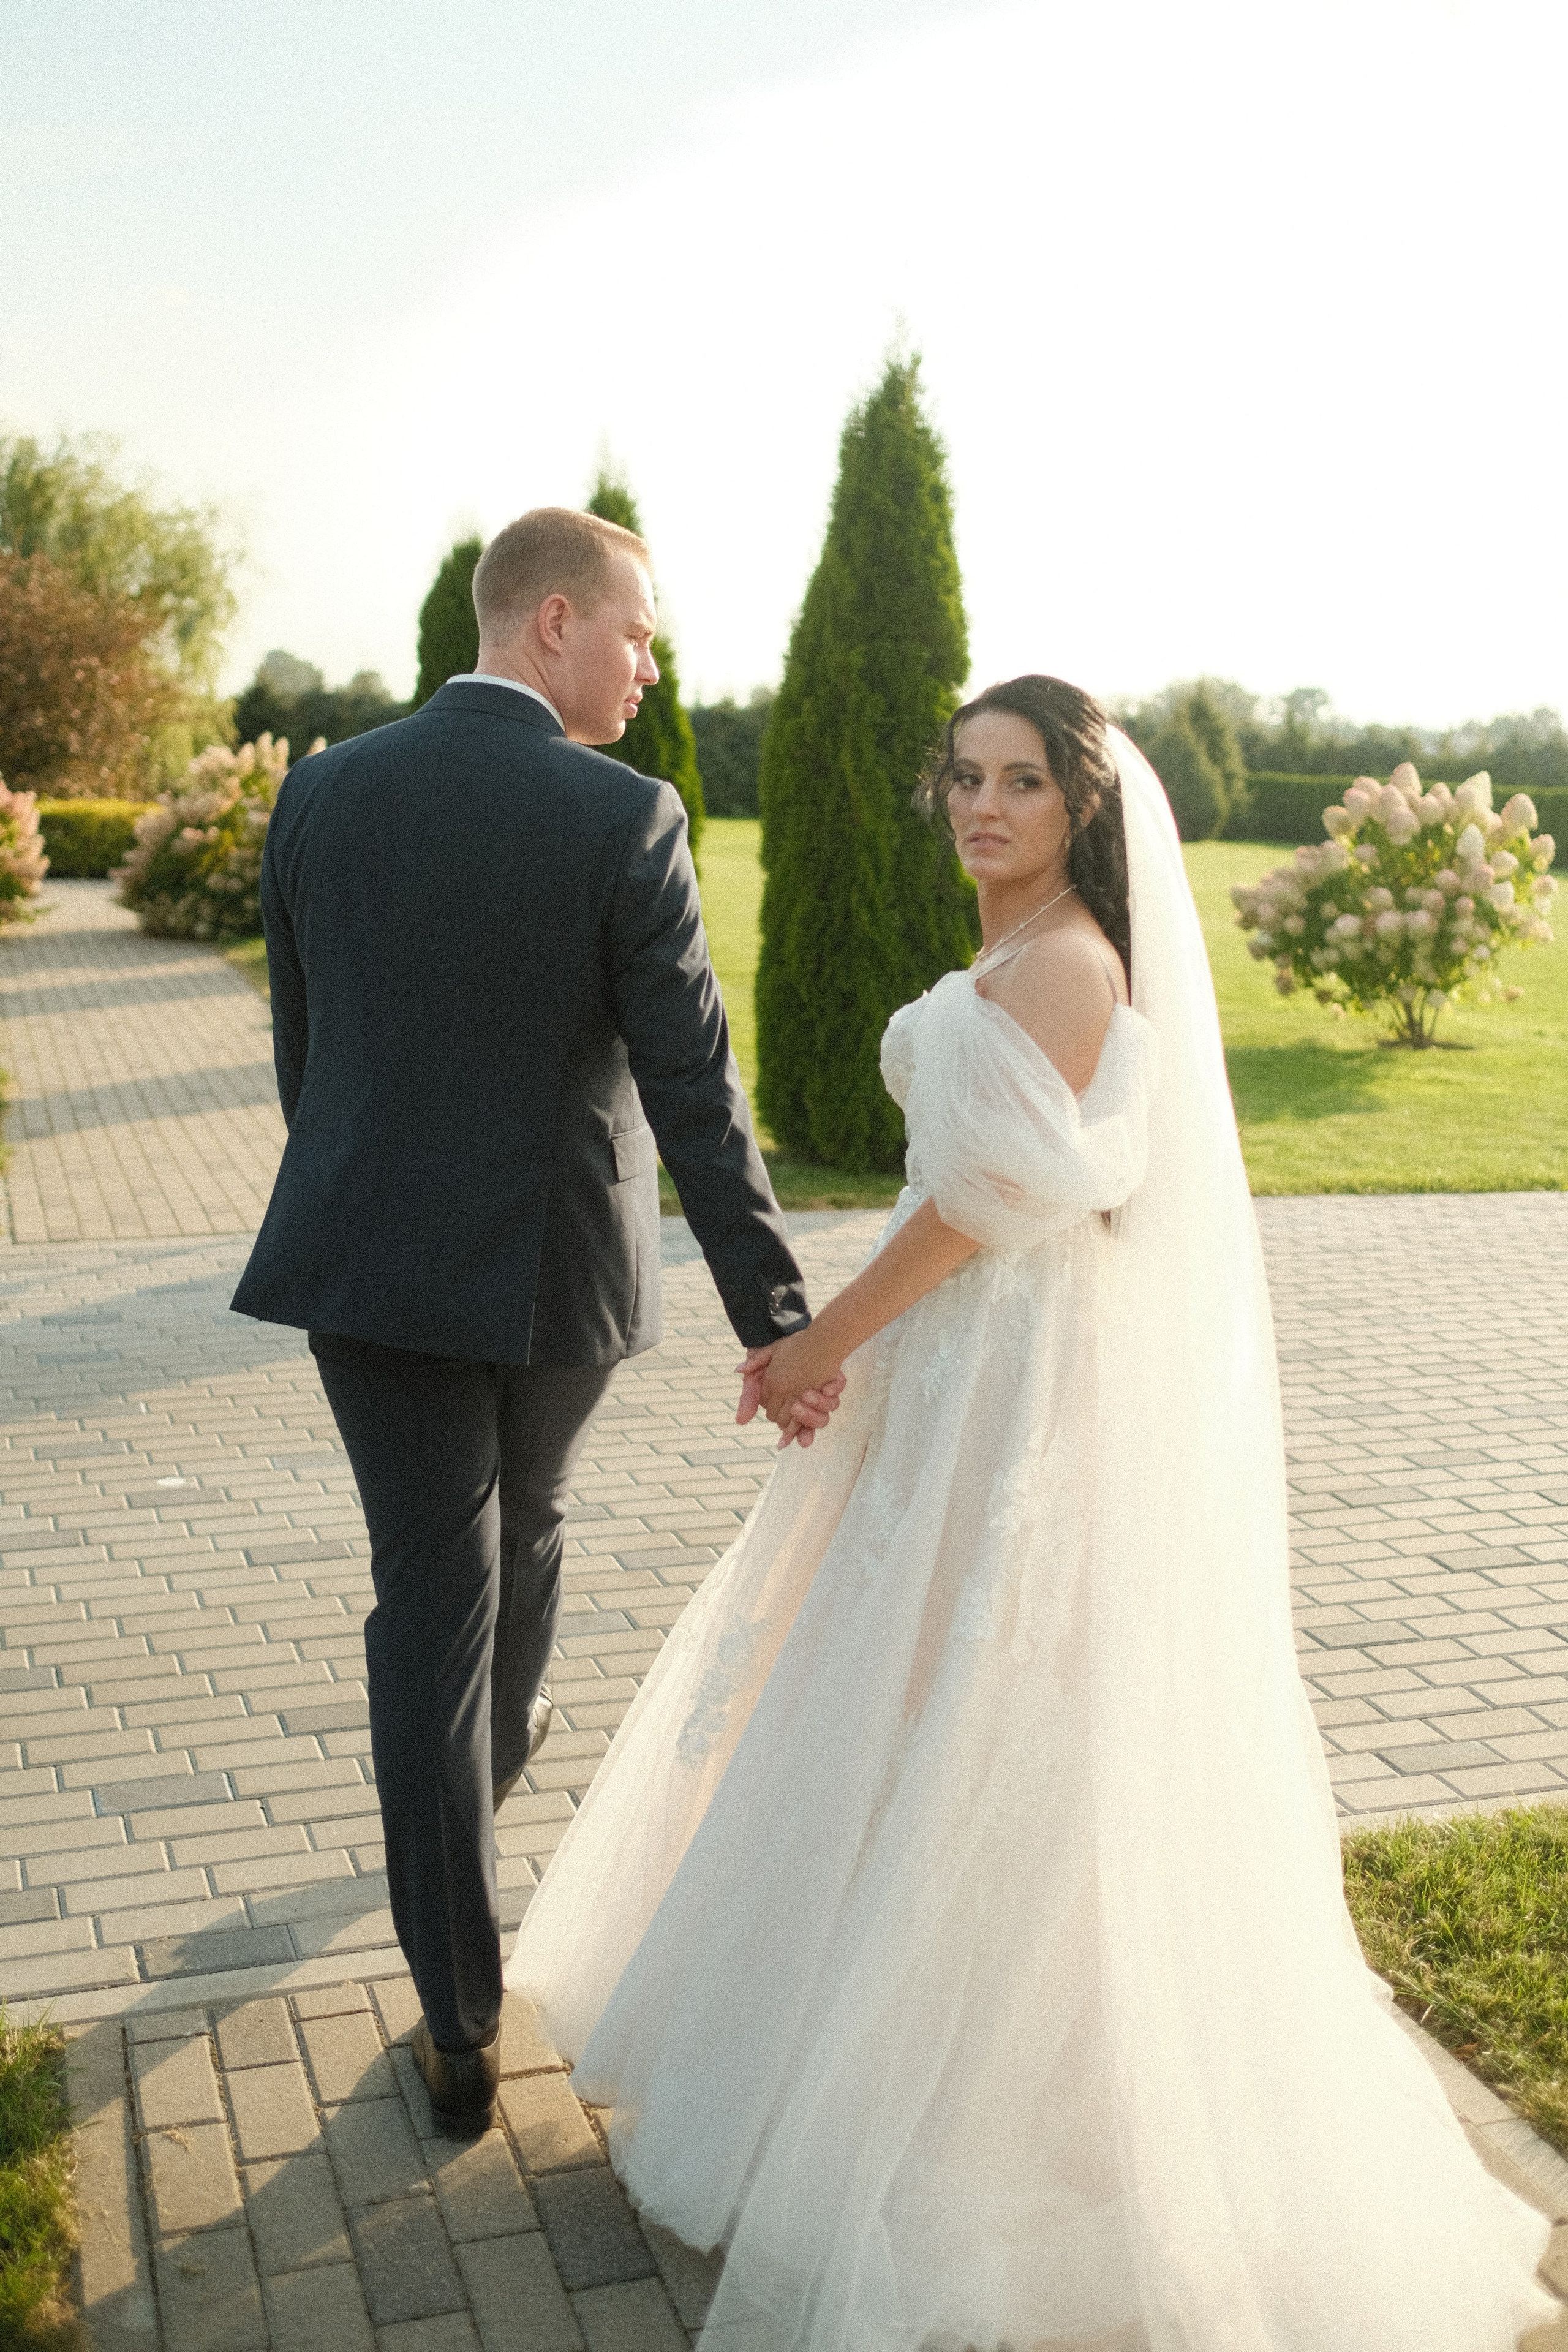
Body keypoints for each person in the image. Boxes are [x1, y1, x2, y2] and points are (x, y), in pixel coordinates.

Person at [508, 676, 1556, 2351]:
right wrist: (856, 1345)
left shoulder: (1066, 960)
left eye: (1020, 783)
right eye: (965, 777)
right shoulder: (1022, 952)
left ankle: (996, 2102)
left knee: (981, 1708)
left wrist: (818, 1344)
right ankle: (850, 2053)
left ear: (1081, 809)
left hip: (1015, 1383)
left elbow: (987, 1204)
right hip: (965, 1371)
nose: (981, 806)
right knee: (904, 1694)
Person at [232, 507, 836, 2136]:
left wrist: (362, 1198)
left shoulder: (323, 789)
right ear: (553, 622)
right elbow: (696, 1094)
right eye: (639, 633)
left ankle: (454, 2008)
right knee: (529, 1534)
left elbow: (311, 1059)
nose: (651, 666)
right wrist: (781, 1320)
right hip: (558, 1276)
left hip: (365, 1274)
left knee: (434, 1589)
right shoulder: (624, 816)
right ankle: (478, 1793)